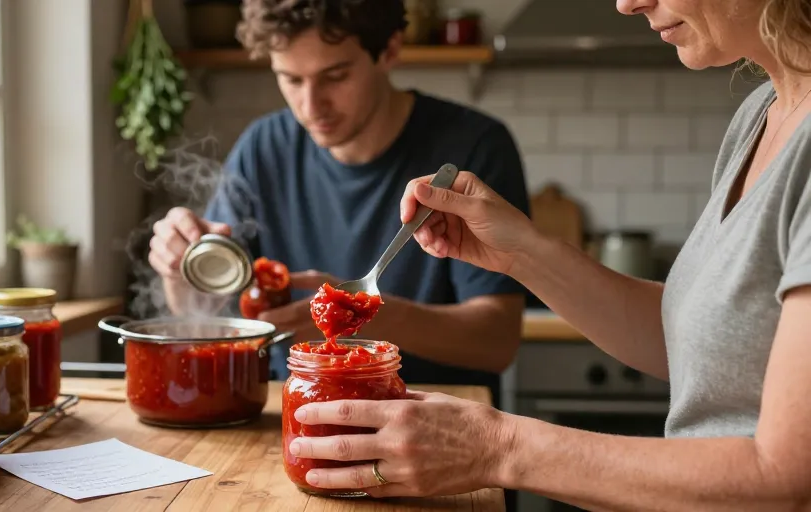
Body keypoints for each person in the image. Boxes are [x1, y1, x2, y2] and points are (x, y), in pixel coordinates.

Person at [283, 0, 811, 508]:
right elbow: (692, 343)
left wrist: (500, 447)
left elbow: (789, 484)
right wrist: (522, 253)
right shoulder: (761, 112)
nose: (627, 4)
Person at [147, 0, 531, 397]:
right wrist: (181, 270)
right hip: (303, 408)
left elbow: (496, 342)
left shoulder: (475, 147)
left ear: (390, 51)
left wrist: (358, 310)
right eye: (291, 80)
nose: (311, 106)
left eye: (335, 76)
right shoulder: (263, 148)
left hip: (437, 415)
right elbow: (204, 310)